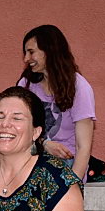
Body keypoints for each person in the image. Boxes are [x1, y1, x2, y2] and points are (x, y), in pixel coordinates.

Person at [18, 25, 95, 181]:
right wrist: (44, 144)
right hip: (32, 159)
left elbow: (83, 147)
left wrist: (73, 185)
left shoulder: (79, 87)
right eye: (25, 53)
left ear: (49, 51)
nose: (26, 59)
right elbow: (18, 133)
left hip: (66, 164)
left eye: (31, 52)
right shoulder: (26, 84)